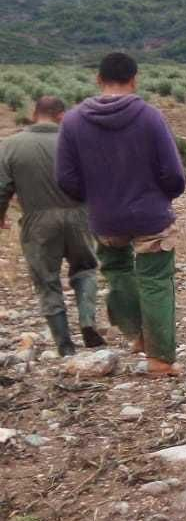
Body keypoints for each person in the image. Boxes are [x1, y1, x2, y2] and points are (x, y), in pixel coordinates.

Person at [56, 52, 186, 375]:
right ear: (135, 79)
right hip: (150, 214)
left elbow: (65, 179)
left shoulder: (72, 121)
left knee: (117, 271)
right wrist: (161, 197)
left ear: (98, 79)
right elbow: (173, 173)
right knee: (156, 279)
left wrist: (96, 198)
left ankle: (137, 334)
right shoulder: (150, 116)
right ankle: (159, 359)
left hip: (105, 216)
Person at [0, 96, 105, 356]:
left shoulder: (10, 145)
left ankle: (65, 346)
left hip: (37, 220)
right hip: (78, 215)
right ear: (61, 116)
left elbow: (2, 188)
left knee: (47, 281)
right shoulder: (78, 143)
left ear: (35, 114)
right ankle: (87, 320)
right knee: (85, 270)